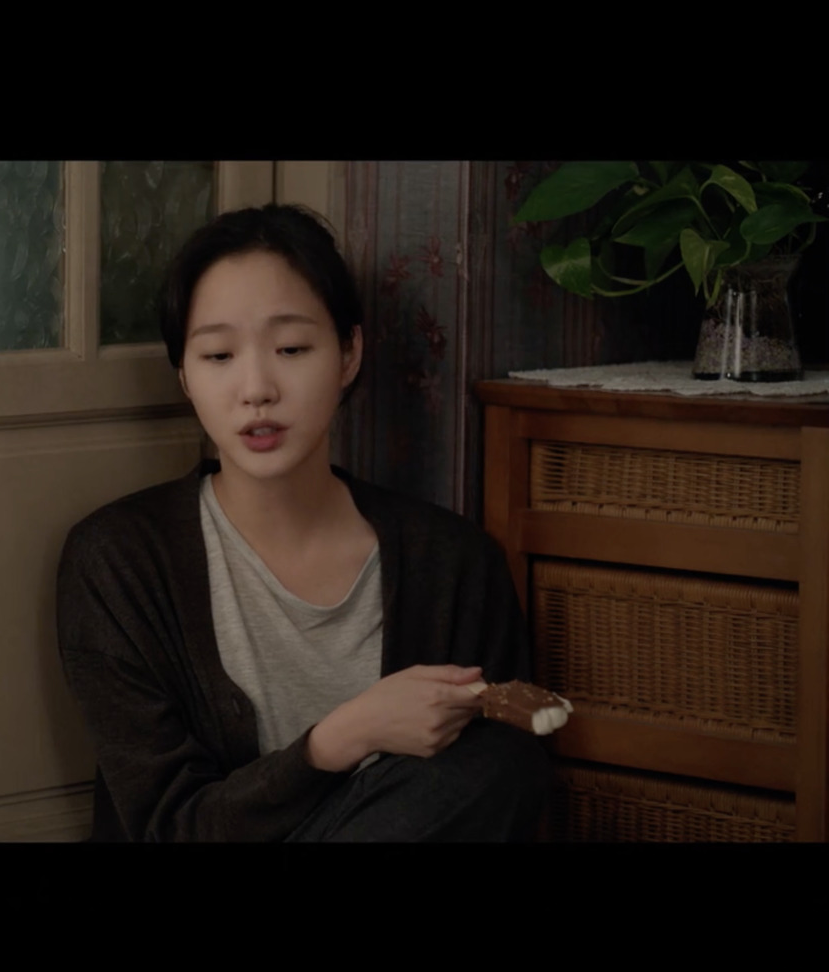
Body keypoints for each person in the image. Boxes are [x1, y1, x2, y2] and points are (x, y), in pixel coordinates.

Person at [56, 203, 551, 842]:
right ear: (183, 375)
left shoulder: (454, 562)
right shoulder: (119, 561)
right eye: (217, 356)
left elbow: (484, 798)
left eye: (291, 348)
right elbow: (169, 826)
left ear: (349, 353)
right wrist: (341, 738)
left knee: (501, 762)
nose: (257, 387)